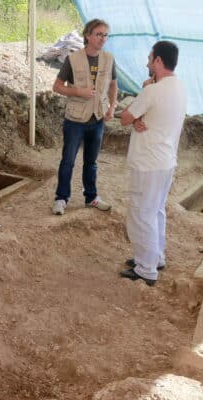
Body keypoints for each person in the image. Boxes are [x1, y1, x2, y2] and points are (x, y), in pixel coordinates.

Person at [119, 41, 188, 286]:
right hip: (166, 161)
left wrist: (138, 107)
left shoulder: (151, 92)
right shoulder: (179, 87)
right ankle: (155, 257)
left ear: (159, 61)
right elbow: (153, 116)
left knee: (141, 214)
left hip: (148, 163)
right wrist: (141, 114)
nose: (147, 63)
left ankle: (146, 269)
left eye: (150, 59)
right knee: (156, 211)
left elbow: (125, 118)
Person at [52, 18, 118, 216]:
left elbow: (114, 84)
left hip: (97, 119)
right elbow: (57, 86)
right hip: (75, 121)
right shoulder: (73, 59)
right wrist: (79, 92)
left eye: (106, 35)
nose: (103, 39)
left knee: (92, 162)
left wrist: (112, 107)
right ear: (88, 36)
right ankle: (61, 199)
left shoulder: (109, 59)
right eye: (99, 34)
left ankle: (91, 197)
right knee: (68, 161)